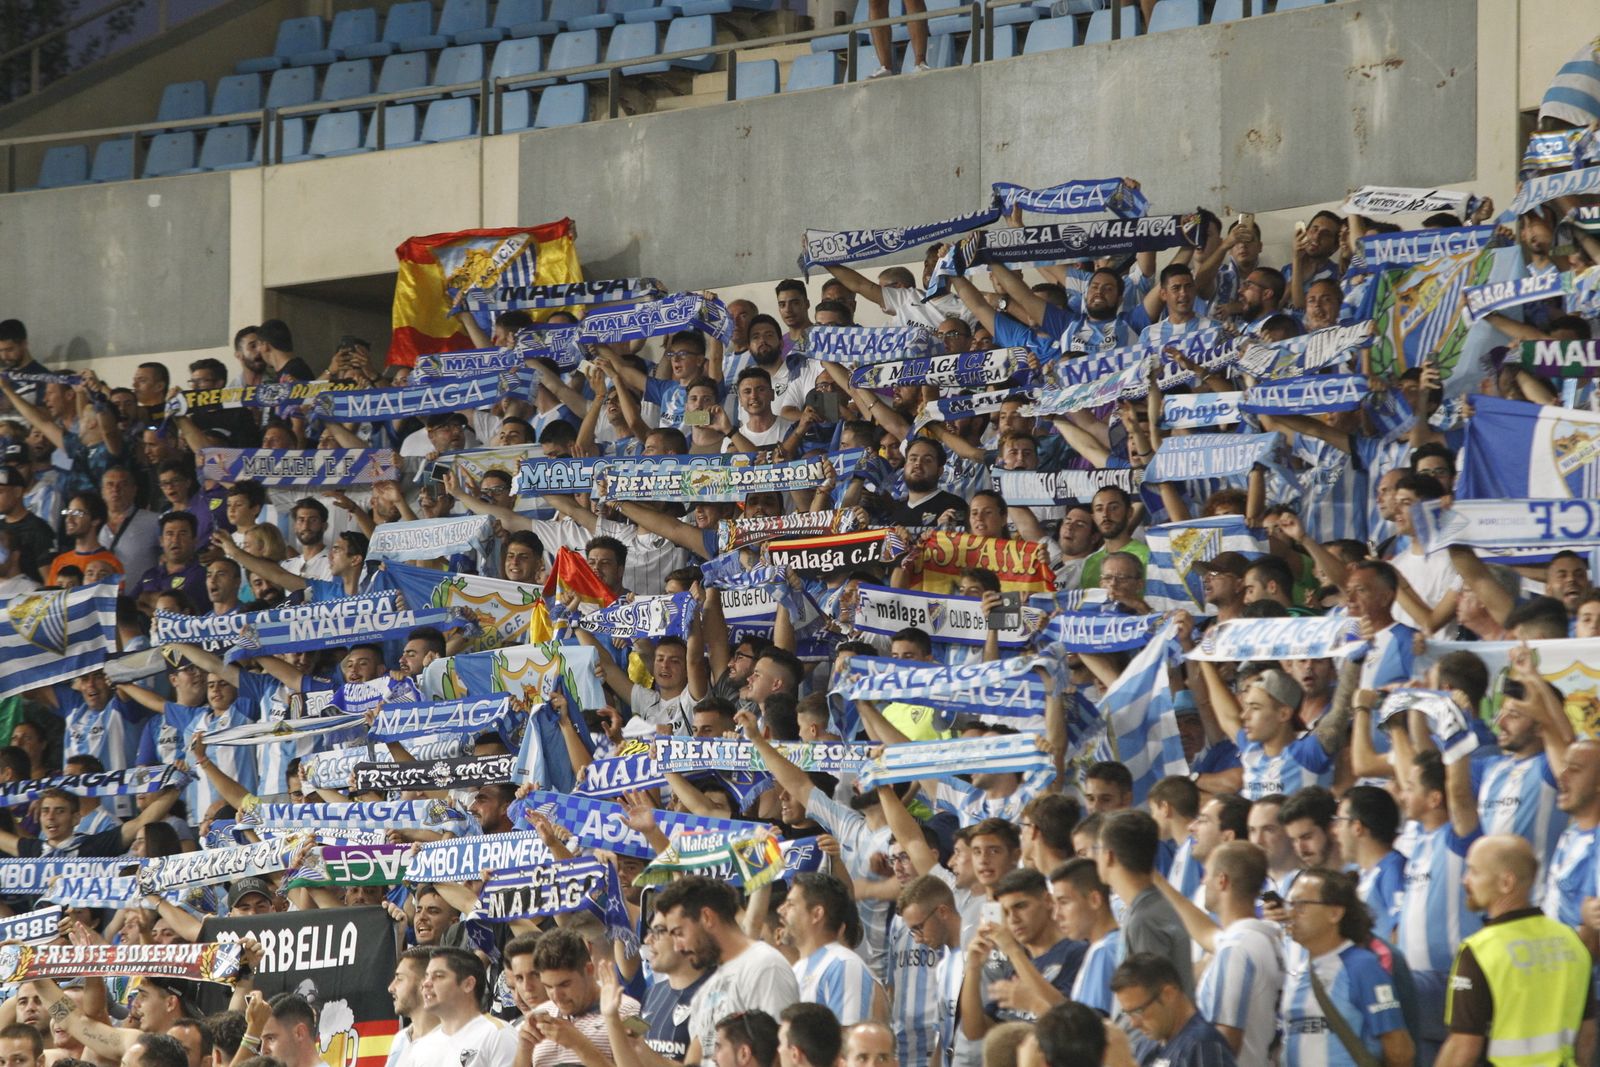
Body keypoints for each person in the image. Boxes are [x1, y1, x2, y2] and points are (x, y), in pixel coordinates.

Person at [1441, 835, 1594, 1067]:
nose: (1466, 880)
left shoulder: (1481, 951)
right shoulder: (1571, 942)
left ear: (1506, 883)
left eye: (1474, 871)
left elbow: (1463, 1047)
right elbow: (1587, 1034)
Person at [654, 876, 800, 1066]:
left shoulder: (764, 966)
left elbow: (781, 1056)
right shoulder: (708, 988)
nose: (677, 947)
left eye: (679, 933)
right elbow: (694, 1062)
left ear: (707, 917)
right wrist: (635, 1045)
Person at [1281, 868, 1413, 1067]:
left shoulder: (1363, 967)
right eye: (1289, 904)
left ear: (1335, 913)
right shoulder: (1298, 970)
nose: (1290, 913)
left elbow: (1399, 1051)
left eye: (1300, 905)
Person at [781, 872, 887, 1026]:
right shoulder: (798, 968)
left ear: (816, 914)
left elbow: (849, 1042)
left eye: (790, 904)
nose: (781, 911)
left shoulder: (843, 964)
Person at [1109, 954, 1238, 1067]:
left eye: (1138, 1011)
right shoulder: (1147, 1044)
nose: (1133, 1023)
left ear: (1168, 994)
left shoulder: (1204, 1046)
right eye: (1128, 1013)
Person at [397, 948, 517, 1067]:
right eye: (427, 976)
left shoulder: (498, 1035)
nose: (426, 983)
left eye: (438, 976)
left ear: (468, 984)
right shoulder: (421, 1047)